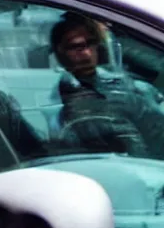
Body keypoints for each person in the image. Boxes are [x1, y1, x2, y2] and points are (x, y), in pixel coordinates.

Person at [50, 13, 164, 158]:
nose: (86, 53)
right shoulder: (65, 103)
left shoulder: (130, 87)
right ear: (60, 51)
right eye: (76, 47)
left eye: (90, 43)